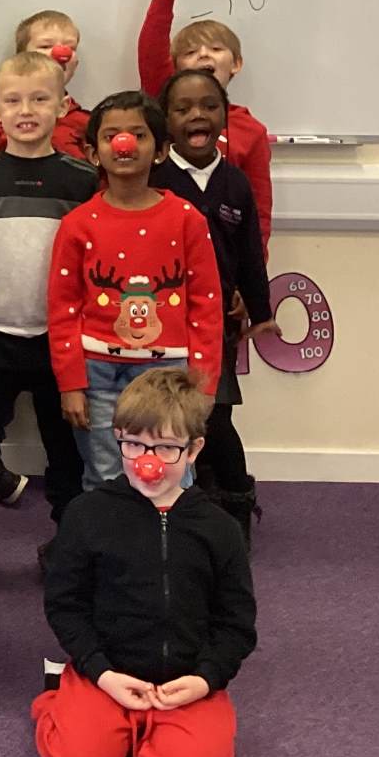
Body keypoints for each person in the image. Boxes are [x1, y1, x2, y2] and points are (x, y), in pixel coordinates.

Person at [33, 368, 256, 757]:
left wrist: (205, 679)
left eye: (166, 448)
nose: (146, 462)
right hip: (106, 673)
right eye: (134, 444)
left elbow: (237, 624)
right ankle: (61, 698)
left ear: (194, 449)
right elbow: (65, 605)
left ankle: (143, 732)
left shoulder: (220, 530)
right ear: (117, 437)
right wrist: (100, 671)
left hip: (186, 682)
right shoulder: (87, 515)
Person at [49, 91, 224, 490]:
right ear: (93, 153)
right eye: (110, 136)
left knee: (173, 472)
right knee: (105, 474)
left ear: (160, 150)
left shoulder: (186, 220)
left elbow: (206, 306)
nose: (123, 144)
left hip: (169, 372)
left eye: (138, 135)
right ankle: (110, 533)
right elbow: (63, 308)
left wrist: (204, 382)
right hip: (97, 372)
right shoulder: (78, 224)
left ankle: (170, 532)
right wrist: (70, 383)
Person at [0, 53, 100, 547]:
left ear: (62, 106)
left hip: (58, 339)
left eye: (40, 99)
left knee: (67, 453)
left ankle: (69, 548)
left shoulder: (82, 180)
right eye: (14, 100)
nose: (27, 110)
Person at [153, 69, 275, 547]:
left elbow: (249, 253)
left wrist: (260, 310)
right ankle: (188, 506)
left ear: (225, 115)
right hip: (162, 324)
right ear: (166, 121)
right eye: (182, 108)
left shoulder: (235, 183)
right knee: (169, 417)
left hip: (215, 323)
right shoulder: (155, 180)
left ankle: (237, 500)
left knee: (214, 416)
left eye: (208, 105)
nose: (196, 115)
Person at [136, 0, 273, 249]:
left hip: (223, 259)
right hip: (162, 253)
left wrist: (252, 270)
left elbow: (259, 213)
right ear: (174, 68)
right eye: (190, 52)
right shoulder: (164, 112)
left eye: (215, 49)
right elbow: (152, 46)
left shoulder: (250, 131)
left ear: (236, 63)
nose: (203, 55)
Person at [0, 10, 91, 159]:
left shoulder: (85, 122)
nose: (60, 53)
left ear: (76, 64)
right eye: (45, 46)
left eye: (70, 48)